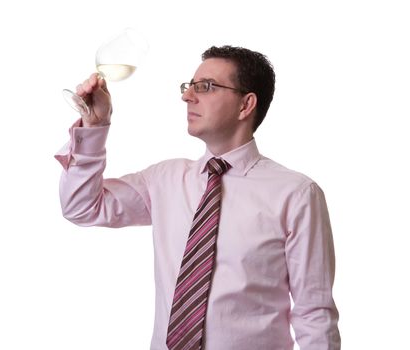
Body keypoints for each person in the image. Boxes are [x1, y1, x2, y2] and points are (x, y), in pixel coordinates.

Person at [55, 45, 341, 350]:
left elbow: (313, 313)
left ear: (246, 105)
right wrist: (95, 126)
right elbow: (81, 207)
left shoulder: (296, 194)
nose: (187, 96)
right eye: (189, 86)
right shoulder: (165, 180)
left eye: (206, 87)